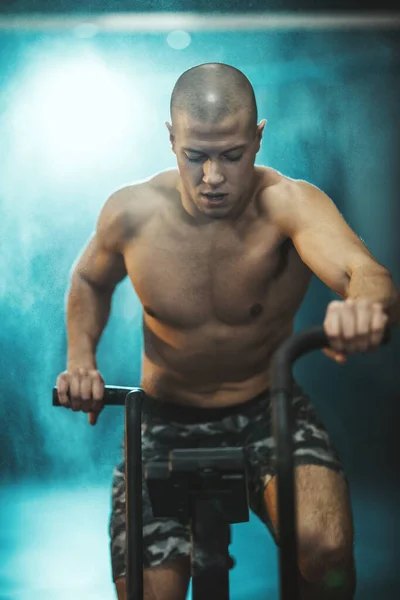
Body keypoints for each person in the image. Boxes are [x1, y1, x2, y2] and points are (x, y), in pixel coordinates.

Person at [56, 63, 399, 600]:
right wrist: (81, 358)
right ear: (171, 140)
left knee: (326, 549)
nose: (212, 177)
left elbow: (366, 272)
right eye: (196, 156)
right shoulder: (133, 212)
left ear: (257, 138)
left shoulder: (289, 204)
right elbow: (89, 278)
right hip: (163, 417)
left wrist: (366, 308)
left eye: (232, 156)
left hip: (265, 410)